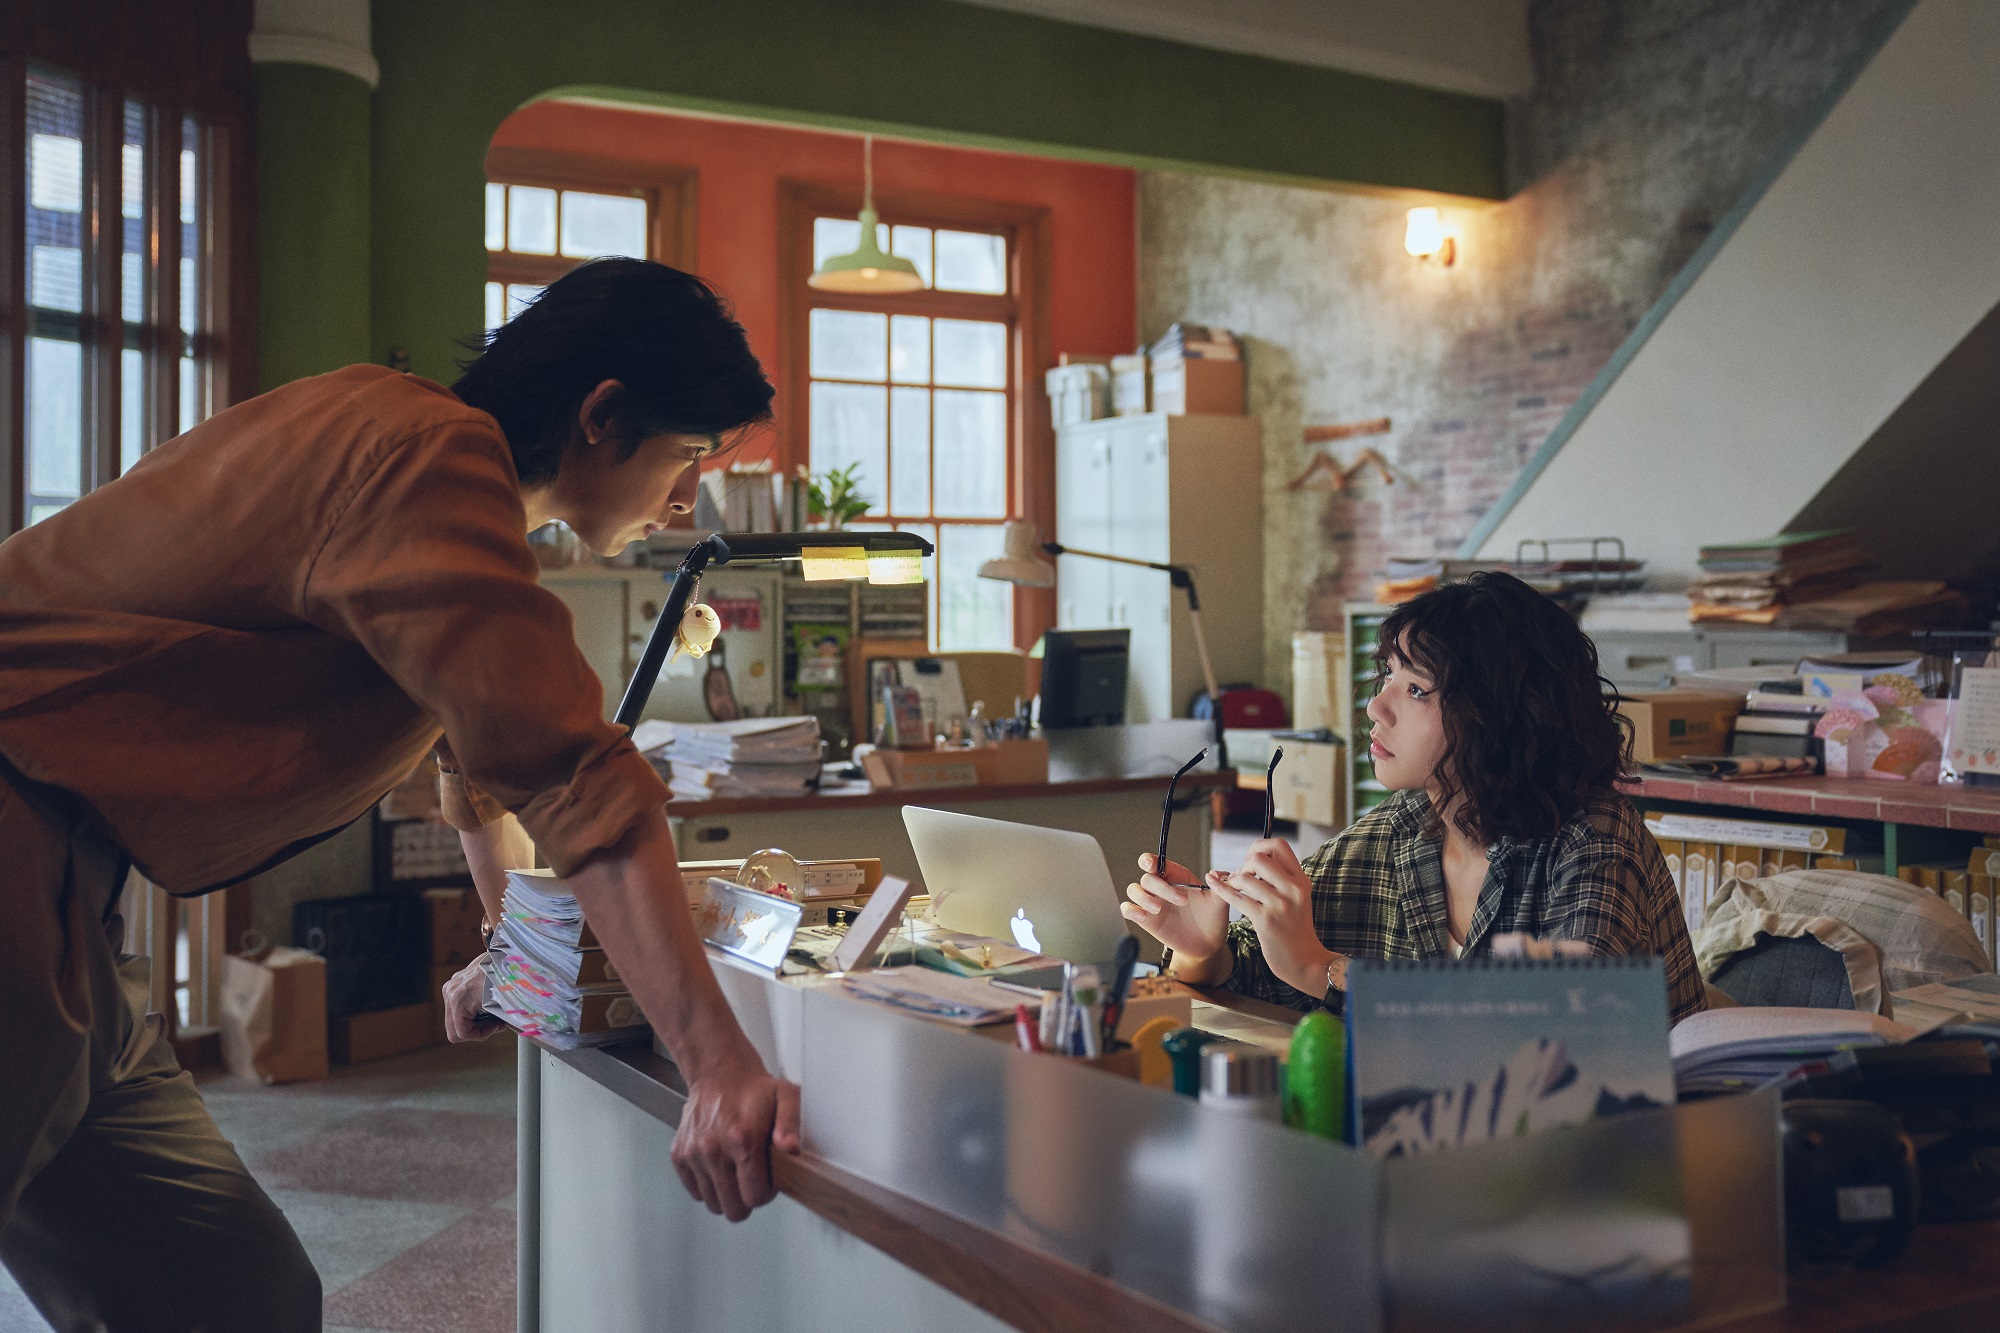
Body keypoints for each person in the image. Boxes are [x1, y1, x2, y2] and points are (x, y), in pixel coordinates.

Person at [0, 259, 798, 1330]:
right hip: (18, 844)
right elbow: (570, 772)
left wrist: (517, 949)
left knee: (234, 1294)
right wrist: (716, 1067)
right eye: (689, 454)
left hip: (69, 904)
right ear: (603, 415)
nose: (686, 495)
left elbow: (480, 756)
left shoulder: (431, 476)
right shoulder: (424, 457)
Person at [1123, 571, 1705, 1024]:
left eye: (1417, 689)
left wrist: (1321, 968)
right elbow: (1260, 968)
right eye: (1387, 678)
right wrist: (1207, 951)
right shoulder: (1402, 828)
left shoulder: (1595, 840)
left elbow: (1551, 1036)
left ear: (1499, 714)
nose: (1377, 707)